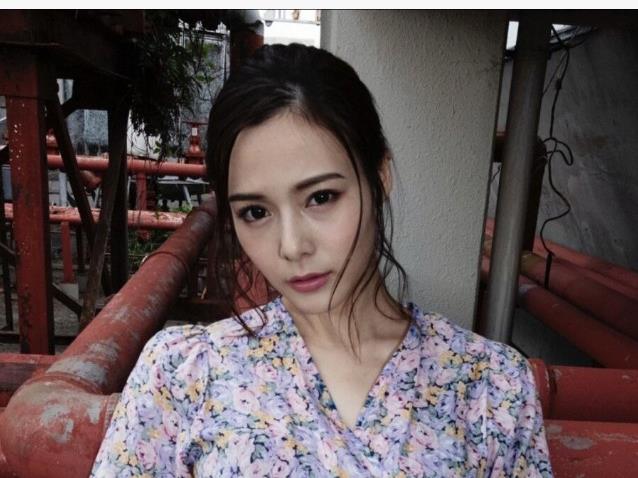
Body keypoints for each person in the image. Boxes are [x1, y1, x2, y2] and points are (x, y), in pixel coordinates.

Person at [91, 44, 553, 477]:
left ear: (379, 176)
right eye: (255, 212)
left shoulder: (491, 389)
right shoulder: (183, 375)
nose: (292, 246)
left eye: (321, 197)